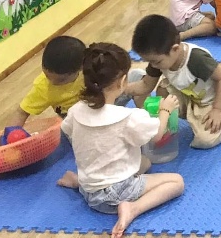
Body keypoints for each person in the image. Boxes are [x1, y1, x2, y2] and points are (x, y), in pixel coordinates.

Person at [57, 42, 184, 238]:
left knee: (145, 162)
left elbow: (67, 132)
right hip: (116, 194)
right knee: (177, 182)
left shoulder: (76, 110)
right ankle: (133, 208)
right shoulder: (127, 117)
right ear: (123, 81)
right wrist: (165, 110)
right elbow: (157, 136)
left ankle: (78, 183)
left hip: (90, 190)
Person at [127, 14, 221, 149]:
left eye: (156, 62)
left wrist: (218, 110)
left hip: (209, 102)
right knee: (162, 89)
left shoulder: (196, 58)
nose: (153, 65)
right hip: (186, 95)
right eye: (149, 61)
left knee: (205, 141)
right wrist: (121, 89)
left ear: (175, 49)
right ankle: (168, 125)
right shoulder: (159, 59)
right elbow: (146, 85)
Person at [7, 36, 86, 128]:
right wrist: (11, 133)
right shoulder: (43, 86)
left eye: (61, 80)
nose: (52, 82)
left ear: (81, 68)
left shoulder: (91, 70)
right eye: (47, 76)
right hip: (71, 120)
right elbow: (21, 113)